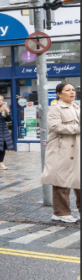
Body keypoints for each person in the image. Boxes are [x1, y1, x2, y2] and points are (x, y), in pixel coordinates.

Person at [43, 82, 80, 223]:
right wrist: (78, 128)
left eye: (73, 89)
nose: (72, 92)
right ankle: (60, 213)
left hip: (76, 149)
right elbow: (56, 127)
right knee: (62, 182)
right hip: (61, 150)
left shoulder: (76, 107)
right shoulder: (55, 108)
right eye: (68, 90)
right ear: (59, 93)